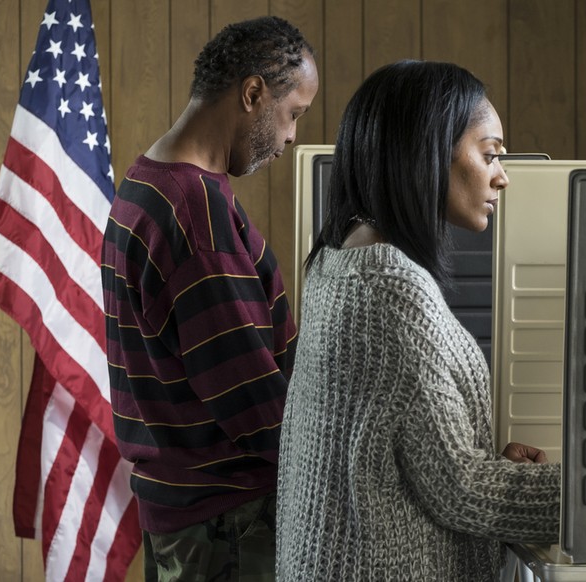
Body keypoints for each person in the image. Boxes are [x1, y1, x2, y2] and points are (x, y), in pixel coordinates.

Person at [275, 60, 560, 581]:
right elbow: (462, 491)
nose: (503, 174)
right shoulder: (390, 290)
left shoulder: (338, 261)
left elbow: (402, 454)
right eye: (490, 153)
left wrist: (486, 459)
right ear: (427, 150)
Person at [101, 16, 318, 581]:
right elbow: (253, 401)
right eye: (293, 113)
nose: (292, 137)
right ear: (252, 94)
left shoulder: (149, 180)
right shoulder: (194, 211)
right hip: (228, 524)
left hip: (187, 515)